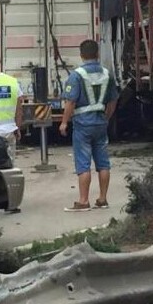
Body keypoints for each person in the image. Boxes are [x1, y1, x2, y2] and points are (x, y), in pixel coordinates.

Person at [59, 39, 119, 212]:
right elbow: (114, 100)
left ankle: (84, 201)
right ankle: (102, 199)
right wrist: (106, 116)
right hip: (100, 122)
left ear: (81, 55)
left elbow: (70, 102)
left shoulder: (76, 75)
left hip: (83, 124)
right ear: (97, 54)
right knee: (103, 162)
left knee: (83, 163)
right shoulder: (108, 74)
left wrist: (64, 122)